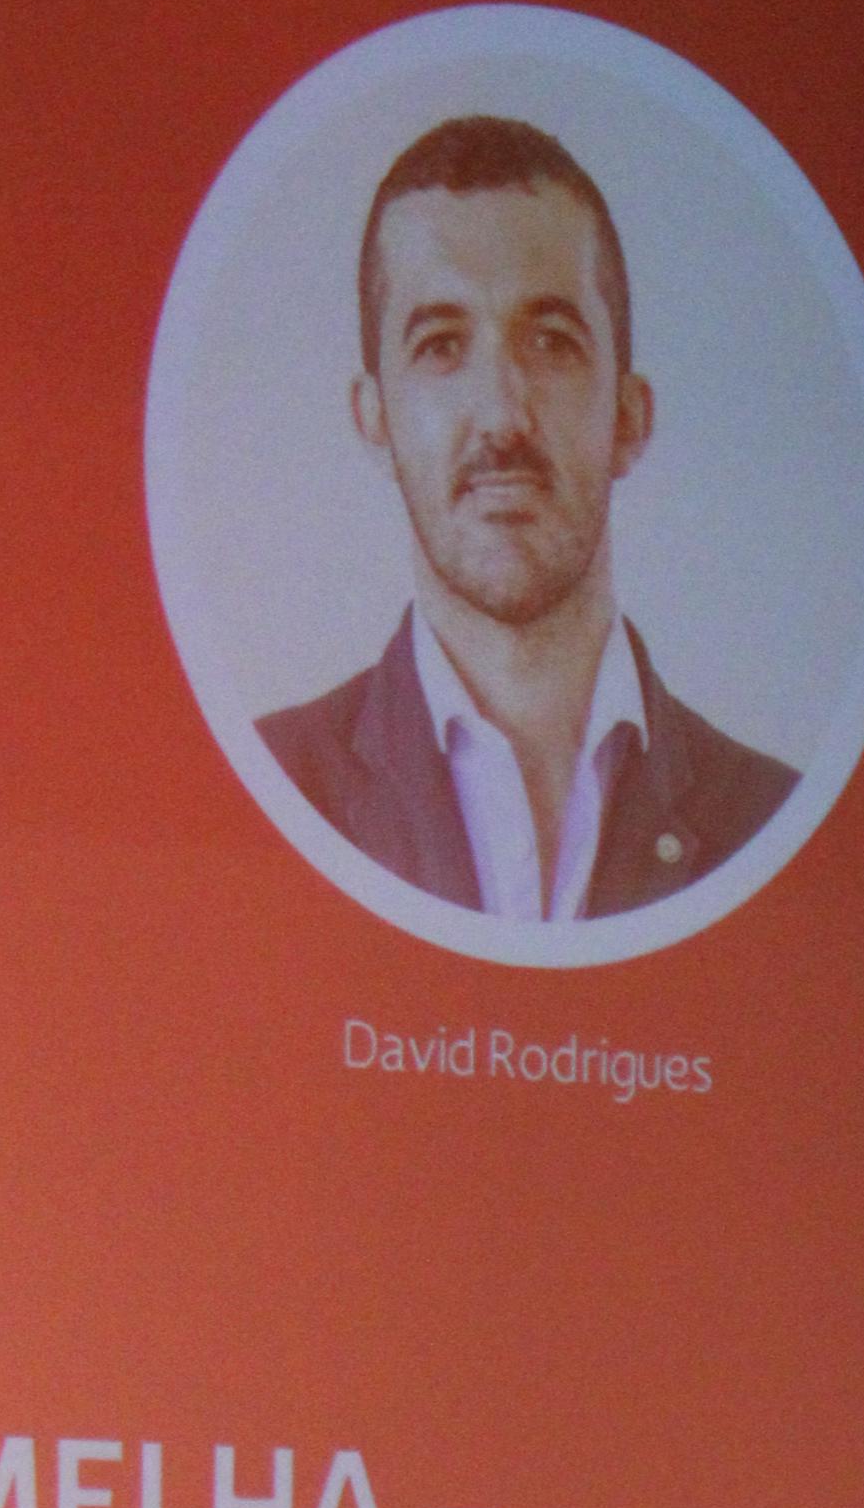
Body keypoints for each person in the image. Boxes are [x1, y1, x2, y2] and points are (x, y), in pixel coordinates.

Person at [257, 115, 797, 926]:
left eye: (550, 341)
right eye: (441, 345)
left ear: (629, 417)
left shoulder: (772, 819)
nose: (503, 416)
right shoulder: (271, 788)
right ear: (376, 421)